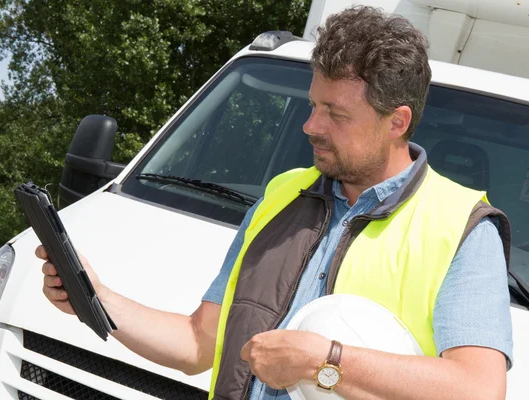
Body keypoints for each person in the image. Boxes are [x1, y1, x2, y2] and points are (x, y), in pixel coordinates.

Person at [38, 6, 513, 400]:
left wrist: (326, 363)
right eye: (313, 105)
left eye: (336, 114)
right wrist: (95, 298)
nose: (311, 125)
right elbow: (198, 342)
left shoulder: (463, 229)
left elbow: (477, 389)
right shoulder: (282, 195)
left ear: (397, 122)